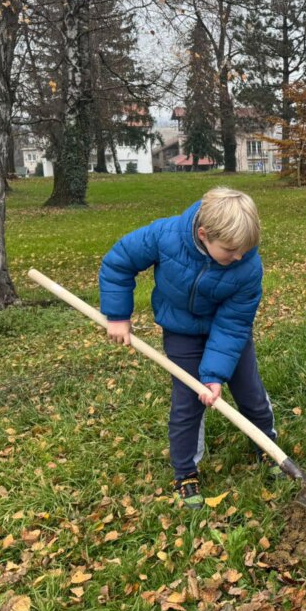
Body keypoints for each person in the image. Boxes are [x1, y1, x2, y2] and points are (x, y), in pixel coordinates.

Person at [99, 186, 276, 510]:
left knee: (251, 394)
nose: (238, 256)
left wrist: (213, 376)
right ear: (203, 234)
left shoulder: (247, 266)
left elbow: (234, 324)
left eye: (245, 249)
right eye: (231, 249)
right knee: (187, 406)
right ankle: (185, 472)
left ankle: (266, 445)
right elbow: (118, 262)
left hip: (229, 334)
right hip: (181, 333)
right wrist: (118, 316)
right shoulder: (164, 236)